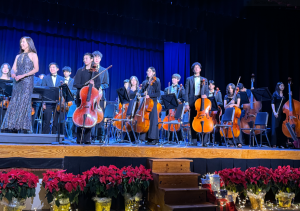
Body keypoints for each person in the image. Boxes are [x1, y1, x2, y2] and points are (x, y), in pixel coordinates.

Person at [1, 36, 39, 133]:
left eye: (24, 42)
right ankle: (12, 126)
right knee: (15, 101)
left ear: (29, 43)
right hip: (17, 81)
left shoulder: (33, 54)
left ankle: (24, 127)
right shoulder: (18, 56)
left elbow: (36, 69)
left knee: (24, 102)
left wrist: (23, 75)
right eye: (21, 42)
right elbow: (13, 68)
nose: (22, 43)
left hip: (27, 81)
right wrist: (13, 74)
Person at [73, 53, 101, 144]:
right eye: (84, 58)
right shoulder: (80, 71)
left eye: (86, 58)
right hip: (81, 98)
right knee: (80, 117)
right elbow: (75, 84)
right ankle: (79, 138)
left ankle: (87, 138)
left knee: (90, 116)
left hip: (90, 100)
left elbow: (98, 85)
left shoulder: (95, 72)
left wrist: (93, 85)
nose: (85, 60)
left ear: (91, 59)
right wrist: (85, 85)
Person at [184, 62, 209, 146]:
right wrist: (186, 103)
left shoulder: (204, 79)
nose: (196, 68)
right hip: (192, 100)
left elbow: (207, 91)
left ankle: (204, 141)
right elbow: (186, 92)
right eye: (195, 67)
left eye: (198, 67)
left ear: (200, 69)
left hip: (201, 100)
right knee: (192, 120)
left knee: (204, 120)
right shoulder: (189, 79)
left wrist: (206, 95)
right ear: (193, 69)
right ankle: (194, 141)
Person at [139, 67, 161, 145]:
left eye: (150, 71)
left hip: (152, 102)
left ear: (154, 73)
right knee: (146, 119)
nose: (148, 72)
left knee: (153, 119)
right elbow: (141, 92)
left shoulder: (156, 80)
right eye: (147, 71)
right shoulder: (145, 82)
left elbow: (158, 93)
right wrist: (143, 94)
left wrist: (150, 95)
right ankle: (147, 138)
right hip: (146, 103)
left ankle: (154, 138)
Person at [41, 62, 64, 134]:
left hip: (58, 102)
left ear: (57, 69)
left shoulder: (61, 78)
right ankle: (45, 136)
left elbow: (63, 91)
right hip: (48, 102)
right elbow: (43, 91)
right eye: (50, 67)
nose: (52, 69)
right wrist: (43, 103)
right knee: (46, 120)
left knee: (56, 120)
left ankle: (54, 135)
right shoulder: (45, 78)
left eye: (53, 67)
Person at [92, 51, 109, 142]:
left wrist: (101, 87)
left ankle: (100, 136)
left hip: (100, 96)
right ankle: (91, 135)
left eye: (98, 57)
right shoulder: (90, 69)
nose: (96, 59)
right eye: (95, 57)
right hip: (91, 96)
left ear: (100, 59)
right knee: (91, 114)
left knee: (100, 116)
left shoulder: (104, 70)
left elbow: (107, 84)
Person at [163, 73, 185, 142]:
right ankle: (168, 139)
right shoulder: (167, 89)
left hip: (177, 108)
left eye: (175, 78)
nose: (173, 79)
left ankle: (177, 139)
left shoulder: (181, 88)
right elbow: (164, 98)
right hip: (169, 108)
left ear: (178, 80)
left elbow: (183, 97)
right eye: (173, 78)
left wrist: (180, 100)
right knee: (169, 120)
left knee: (177, 122)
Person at [203, 80, 223, 146]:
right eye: (209, 84)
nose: (210, 86)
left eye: (211, 84)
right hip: (208, 112)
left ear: (214, 86)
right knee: (206, 124)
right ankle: (205, 141)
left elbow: (220, 102)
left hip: (215, 111)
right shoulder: (206, 93)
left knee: (217, 123)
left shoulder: (218, 93)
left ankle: (218, 140)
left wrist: (216, 104)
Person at [223, 83, 242, 148]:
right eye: (229, 88)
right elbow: (225, 107)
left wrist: (233, 104)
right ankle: (230, 142)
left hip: (235, 114)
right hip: (229, 114)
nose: (230, 89)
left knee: (237, 127)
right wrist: (229, 103)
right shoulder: (226, 96)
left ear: (234, 88)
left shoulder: (237, 95)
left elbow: (238, 105)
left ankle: (239, 142)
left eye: (231, 88)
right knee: (229, 128)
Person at [271, 82, 286, 148]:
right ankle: (274, 143)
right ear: (278, 86)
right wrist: (274, 112)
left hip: (282, 113)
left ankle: (281, 144)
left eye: (283, 85)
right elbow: (272, 103)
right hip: (276, 112)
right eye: (281, 86)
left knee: (281, 128)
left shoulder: (284, 95)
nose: (282, 87)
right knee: (274, 128)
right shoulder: (275, 94)